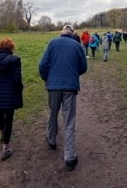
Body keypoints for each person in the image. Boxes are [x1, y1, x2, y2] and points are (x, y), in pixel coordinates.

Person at [39, 25, 87, 171]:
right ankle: (70, 157)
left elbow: (42, 64)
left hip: (53, 86)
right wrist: (73, 74)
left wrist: (46, 78)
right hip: (70, 87)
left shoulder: (52, 43)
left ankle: (52, 140)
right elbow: (83, 67)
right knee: (69, 120)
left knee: (52, 114)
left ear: (61, 33)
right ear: (72, 34)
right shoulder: (77, 45)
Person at [0, 37, 23, 161]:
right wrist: (20, 89)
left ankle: (2, 132)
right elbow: (17, 79)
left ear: (0, 46)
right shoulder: (15, 60)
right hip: (11, 93)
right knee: (10, 118)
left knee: (1, 113)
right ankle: (6, 147)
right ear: (11, 47)